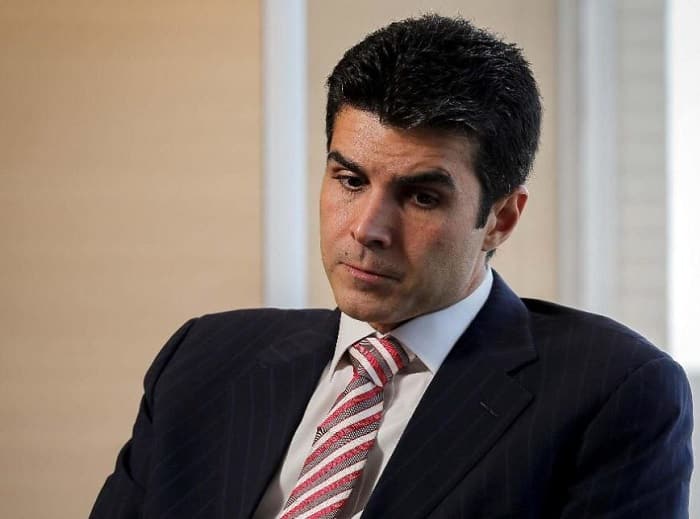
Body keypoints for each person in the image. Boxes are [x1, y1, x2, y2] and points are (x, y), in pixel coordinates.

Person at [90, 14, 693, 519]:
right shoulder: (202, 361)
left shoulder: (612, 392)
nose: (366, 229)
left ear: (500, 218)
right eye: (350, 180)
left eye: (422, 197)